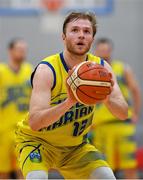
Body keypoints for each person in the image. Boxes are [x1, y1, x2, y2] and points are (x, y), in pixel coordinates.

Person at [16, 12, 128, 179]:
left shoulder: (102, 69)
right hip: (38, 143)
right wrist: (70, 101)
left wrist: (105, 98)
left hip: (75, 148)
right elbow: (35, 122)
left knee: (106, 176)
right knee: (37, 178)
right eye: (75, 30)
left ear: (92, 38)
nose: (81, 35)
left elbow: (123, 113)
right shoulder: (47, 70)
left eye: (87, 31)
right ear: (63, 36)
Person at [89, 38, 141, 179]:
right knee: (103, 169)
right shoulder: (89, 71)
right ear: (96, 51)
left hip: (122, 124)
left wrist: (136, 113)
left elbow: (135, 90)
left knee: (129, 167)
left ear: (111, 51)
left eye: (106, 50)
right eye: (101, 50)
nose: (104, 53)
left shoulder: (122, 68)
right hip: (101, 127)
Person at [0, 38, 32, 179]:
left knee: (24, 169)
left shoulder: (29, 70)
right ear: (10, 51)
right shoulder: (1, 71)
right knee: (3, 171)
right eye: (19, 50)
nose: (22, 53)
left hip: (23, 129)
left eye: (24, 50)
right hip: (3, 129)